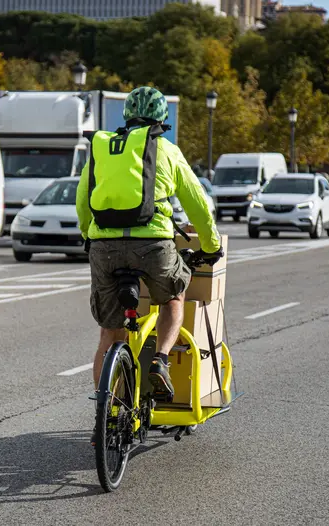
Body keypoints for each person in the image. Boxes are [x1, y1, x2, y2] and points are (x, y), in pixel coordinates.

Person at [75, 86, 223, 402]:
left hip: (104, 248)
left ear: (127, 117)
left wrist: (89, 235)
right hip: (153, 244)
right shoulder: (166, 150)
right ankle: (160, 359)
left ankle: (108, 408)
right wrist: (210, 247)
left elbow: (82, 199)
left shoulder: (104, 149)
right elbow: (197, 203)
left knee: (109, 333)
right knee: (173, 297)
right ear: (161, 121)